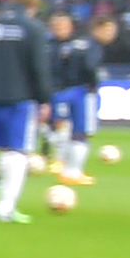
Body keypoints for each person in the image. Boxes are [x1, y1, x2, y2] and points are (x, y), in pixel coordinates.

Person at [0, 0, 54, 222]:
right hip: (20, 99)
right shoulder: (33, 28)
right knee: (16, 150)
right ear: (32, 6)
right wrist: (44, 99)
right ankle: (5, 209)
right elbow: (38, 67)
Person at [47, 10, 99, 178]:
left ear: (70, 27)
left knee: (79, 131)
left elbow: (90, 69)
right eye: (56, 25)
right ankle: (58, 161)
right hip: (54, 91)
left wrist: (91, 85)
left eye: (62, 25)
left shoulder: (80, 46)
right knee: (57, 127)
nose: (59, 28)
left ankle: (74, 169)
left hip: (77, 91)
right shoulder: (46, 44)